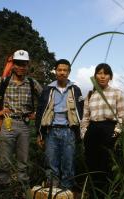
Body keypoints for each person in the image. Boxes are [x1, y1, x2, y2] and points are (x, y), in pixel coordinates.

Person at [0, 50, 42, 193]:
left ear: (28, 65)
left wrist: (37, 114)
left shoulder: (32, 83)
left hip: (25, 125)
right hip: (7, 124)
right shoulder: (3, 81)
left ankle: (23, 190)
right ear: (13, 65)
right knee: (4, 161)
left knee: (23, 161)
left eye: (24, 64)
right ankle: (4, 189)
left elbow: (46, 100)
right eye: (18, 64)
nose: (21, 67)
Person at [35, 59, 84, 190]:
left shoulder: (75, 89)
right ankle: (52, 190)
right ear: (55, 71)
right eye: (59, 70)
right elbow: (40, 111)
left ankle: (66, 191)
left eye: (65, 70)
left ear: (69, 72)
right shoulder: (48, 89)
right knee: (51, 163)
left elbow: (81, 111)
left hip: (69, 131)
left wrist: (80, 132)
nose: (62, 72)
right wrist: (39, 134)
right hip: (51, 131)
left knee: (69, 162)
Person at [80, 63, 124, 196]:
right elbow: (85, 118)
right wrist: (84, 134)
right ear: (95, 76)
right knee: (91, 165)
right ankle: (93, 193)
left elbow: (123, 116)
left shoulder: (116, 93)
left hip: (108, 129)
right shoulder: (90, 95)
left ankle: (106, 194)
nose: (102, 76)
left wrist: (115, 133)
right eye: (99, 73)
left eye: (105, 73)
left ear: (110, 77)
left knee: (106, 165)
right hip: (92, 131)